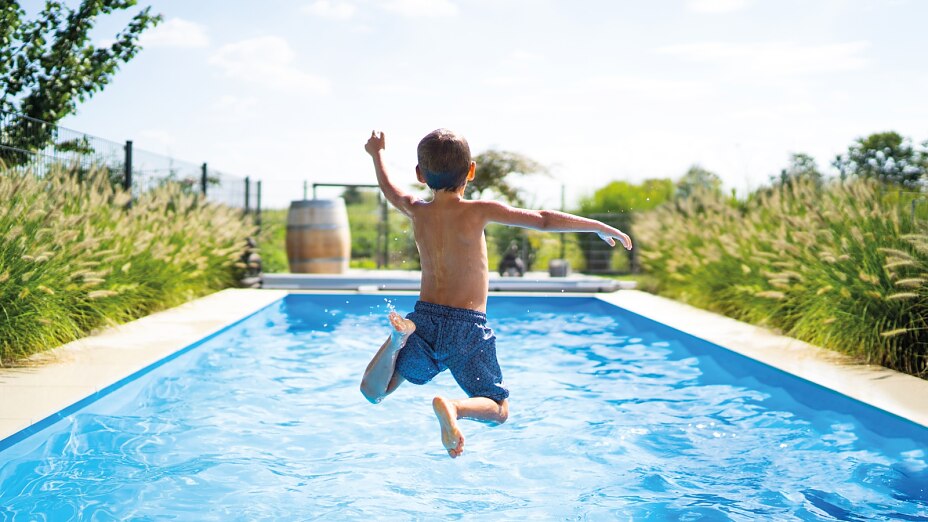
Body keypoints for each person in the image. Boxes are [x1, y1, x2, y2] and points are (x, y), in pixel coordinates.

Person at [359, 129, 632, 458]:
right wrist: (597, 225)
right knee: (499, 409)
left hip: (423, 321)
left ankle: (395, 341)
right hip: (466, 327)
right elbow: (543, 220)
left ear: (420, 174)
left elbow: (390, 190)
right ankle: (454, 407)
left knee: (375, 392)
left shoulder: (417, 210)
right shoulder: (478, 211)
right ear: (471, 171)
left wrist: (377, 154)